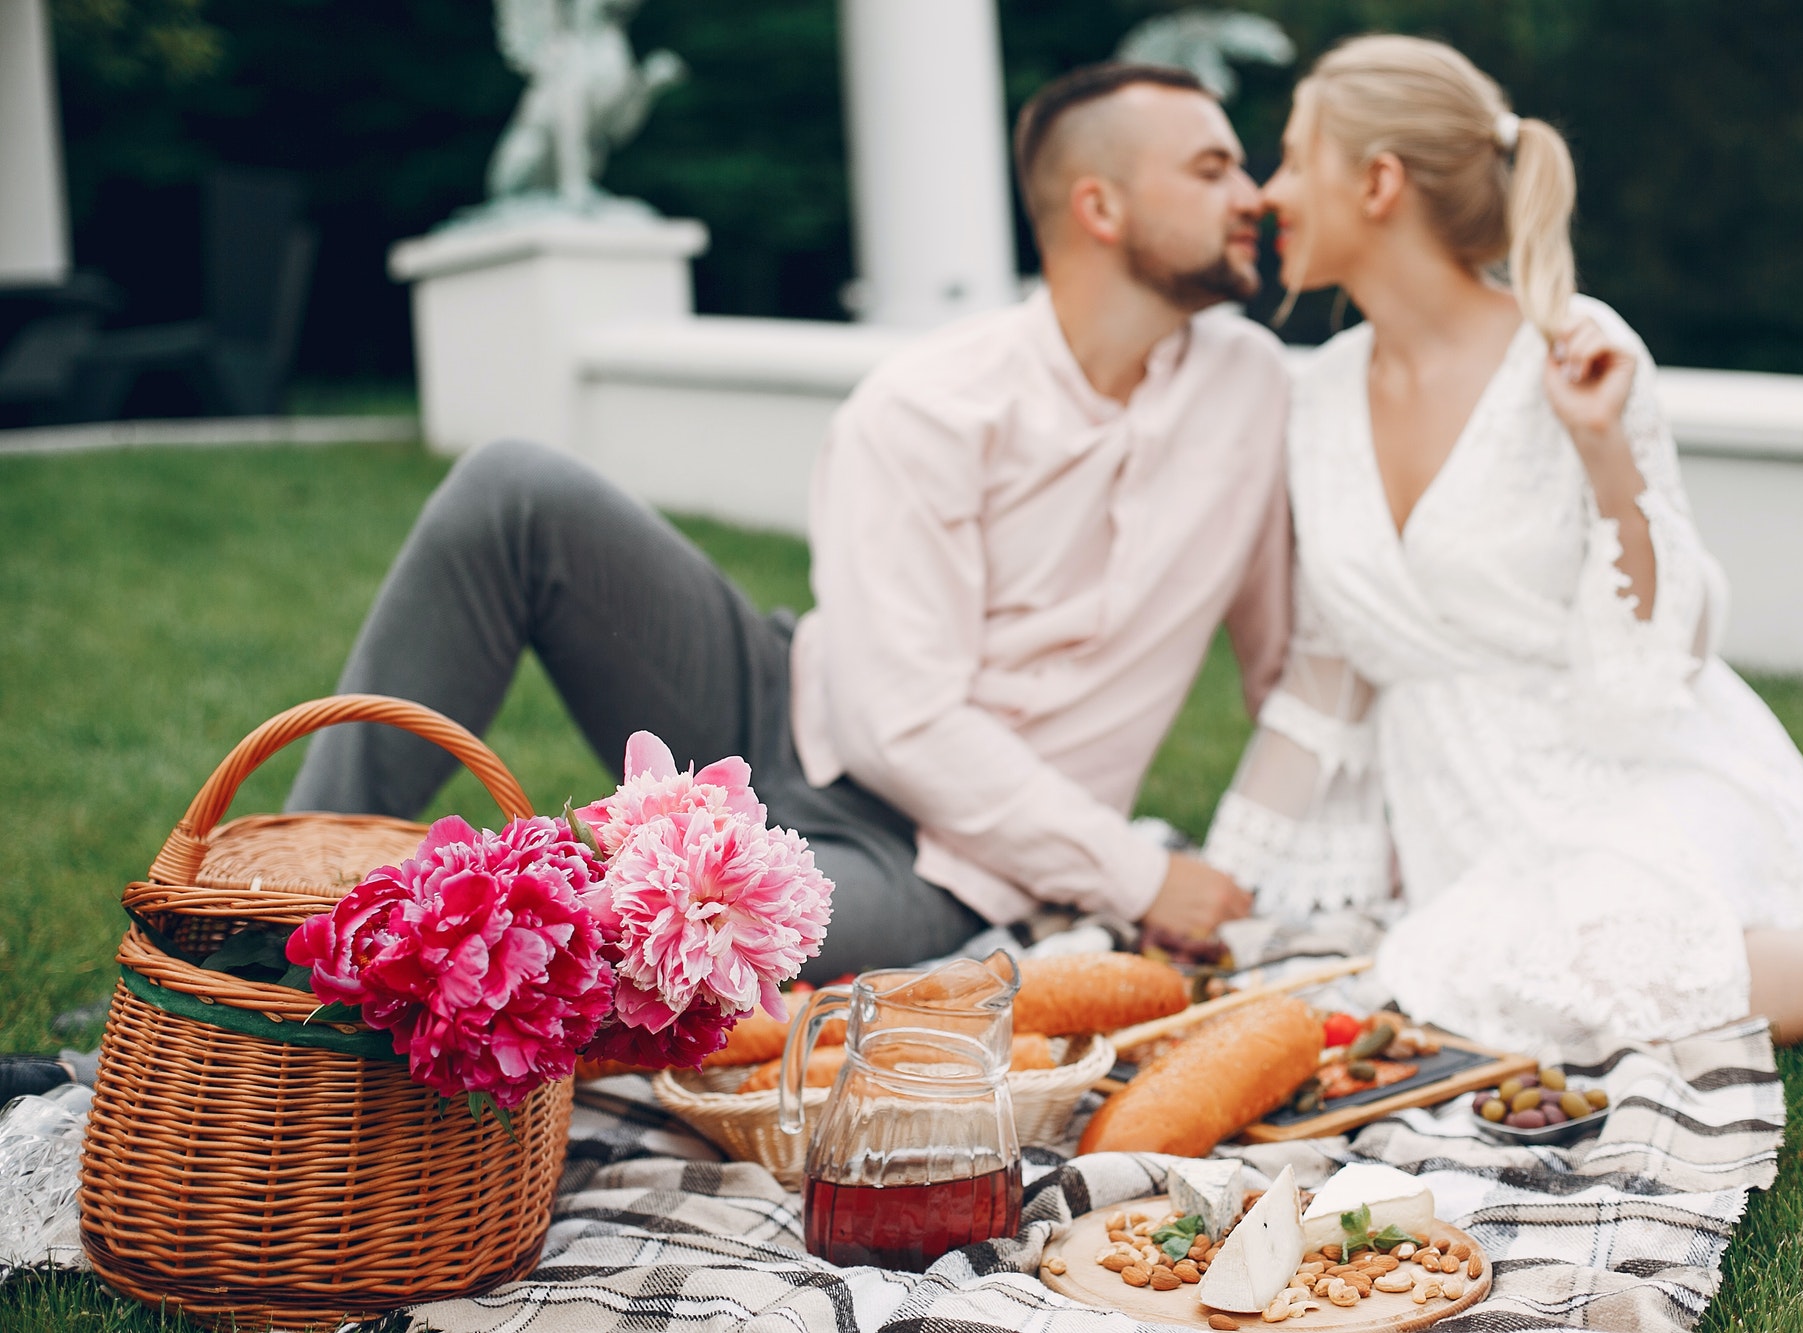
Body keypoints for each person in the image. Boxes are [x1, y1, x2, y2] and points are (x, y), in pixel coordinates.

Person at [287, 63, 1290, 981]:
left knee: (609, 945)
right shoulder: (931, 405)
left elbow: (1286, 667)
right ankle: (278, 895)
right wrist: (1135, 873)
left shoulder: (1254, 394)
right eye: (1212, 170)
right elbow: (898, 721)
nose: (1251, 196)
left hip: (927, 866)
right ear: (1099, 206)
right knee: (514, 489)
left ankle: (366, 976)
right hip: (782, 708)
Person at [1204, 33, 1803, 1054]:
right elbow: (1327, 669)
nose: (1267, 192)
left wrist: (1602, 450)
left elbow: (1656, 660)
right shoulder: (1313, 394)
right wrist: (1229, 872)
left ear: (1377, 182)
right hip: (1464, 818)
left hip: (1631, 770)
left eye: (1290, 155)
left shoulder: (1573, 348)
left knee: (1597, 951)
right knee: (1479, 966)